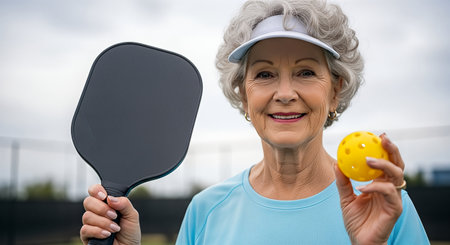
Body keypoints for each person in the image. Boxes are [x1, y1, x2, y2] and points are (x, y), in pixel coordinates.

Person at [80, 0, 430, 244]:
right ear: (243, 94)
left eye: (306, 72)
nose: (285, 92)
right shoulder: (206, 211)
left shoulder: (382, 206)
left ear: (336, 90)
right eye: (264, 74)